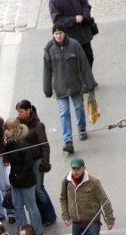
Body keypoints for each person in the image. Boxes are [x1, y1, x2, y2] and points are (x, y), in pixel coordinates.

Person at [43, 23, 97, 154]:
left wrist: (90, 85)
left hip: (75, 85)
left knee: (79, 107)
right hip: (59, 88)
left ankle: (81, 128)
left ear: (65, 33)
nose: (58, 36)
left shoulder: (74, 45)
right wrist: (47, 89)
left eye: (60, 33)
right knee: (64, 113)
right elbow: (47, 71)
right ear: (53, 35)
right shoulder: (49, 49)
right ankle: (68, 141)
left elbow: (84, 65)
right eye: (56, 34)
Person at [16, 100, 57, 227]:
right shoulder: (19, 124)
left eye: (21, 111)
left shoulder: (38, 125)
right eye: (18, 112)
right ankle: (42, 216)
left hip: (37, 160)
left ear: (29, 111)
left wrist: (45, 163)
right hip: (27, 162)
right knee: (33, 190)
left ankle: (50, 215)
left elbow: (45, 146)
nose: (19, 114)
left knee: (39, 189)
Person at [3, 118, 43, 235]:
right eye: (5, 129)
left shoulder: (23, 144)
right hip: (16, 181)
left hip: (26, 182)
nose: (6, 132)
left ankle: (38, 233)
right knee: (17, 207)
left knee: (31, 208)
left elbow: (28, 164)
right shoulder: (9, 143)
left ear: (14, 130)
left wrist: (19, 177)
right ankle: (21, 233)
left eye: (8, 129)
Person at [48, 0, 95, 67]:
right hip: (70, 40)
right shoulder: (53, 1)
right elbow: (57, 20)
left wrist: (85, 16)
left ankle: (88, 76)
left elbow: (85, 5)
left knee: (89, 59)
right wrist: (74, 19)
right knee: (74, 66)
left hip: (83, 36)